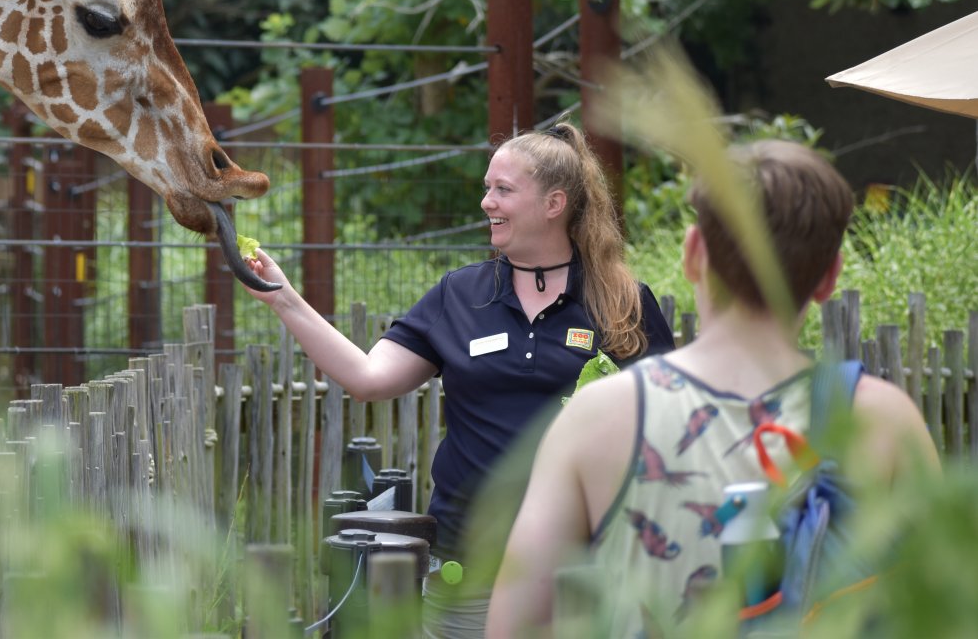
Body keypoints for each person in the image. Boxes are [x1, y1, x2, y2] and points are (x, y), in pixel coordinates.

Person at [485, 140, 940, 637]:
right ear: (830, 278)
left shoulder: (601, 415)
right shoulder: (883, 419)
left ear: (693, 254)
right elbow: (945, 609)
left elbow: (516, 624)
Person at [243, 122, 675, 639]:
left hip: (583, 571)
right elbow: (368, 377)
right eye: (488, 187)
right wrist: (283, 299)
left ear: (554, 203)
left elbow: (667, 431)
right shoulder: (460, 294)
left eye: (503, 190)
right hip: (465, 568)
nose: (486, 202)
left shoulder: (623, 302)